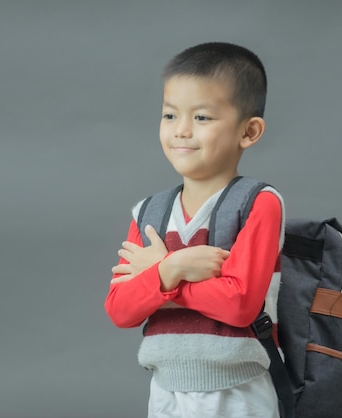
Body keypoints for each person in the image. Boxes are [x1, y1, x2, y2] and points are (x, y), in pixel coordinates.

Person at [104, 42, 285, 418]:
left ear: (248, 131)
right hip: (166, 390)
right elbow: (120, 309)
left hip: (238, 393)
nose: (181, 131)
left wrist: (161, 275)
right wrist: (174, 267)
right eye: (170, 116)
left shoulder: (258, 203)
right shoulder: (149, 213)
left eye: (201, 118)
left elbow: (238, 305)